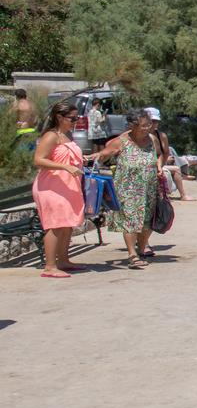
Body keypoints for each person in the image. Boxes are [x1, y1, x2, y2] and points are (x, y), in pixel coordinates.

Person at [89, 109, 164, 268]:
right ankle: (132, 254)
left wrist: (159, 167)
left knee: (146, 221)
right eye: (143, 125)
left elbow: (159, 154)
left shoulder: (152, 139)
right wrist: (97, 157)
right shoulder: (121, 141)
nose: (146, 128)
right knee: (130, 220)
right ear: (132, 125)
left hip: (149, 188)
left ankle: (142, 249)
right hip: (128, 188)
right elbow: (103, 156)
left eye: (148, 124)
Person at [31, 101, 85, 279]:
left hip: (67, 186)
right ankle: (50, 266)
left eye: (77, 117)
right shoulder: (51, 136)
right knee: (54, 225)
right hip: (51, 187)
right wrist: (65, 167)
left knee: (67, 224)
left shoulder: (67, 134)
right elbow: (39, 160)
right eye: (72, 118)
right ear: (59, 117)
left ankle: (63, 260)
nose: (75, 121)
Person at [147, 107, 197, 201]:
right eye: (151, 121)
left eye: (156, 121)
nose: (154, 124)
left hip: (158, 164)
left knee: (175, 168)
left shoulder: (161, 136)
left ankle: (183, 195)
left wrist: (161, 164)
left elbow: (164, 153)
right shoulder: (138, 136)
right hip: (145, 165)